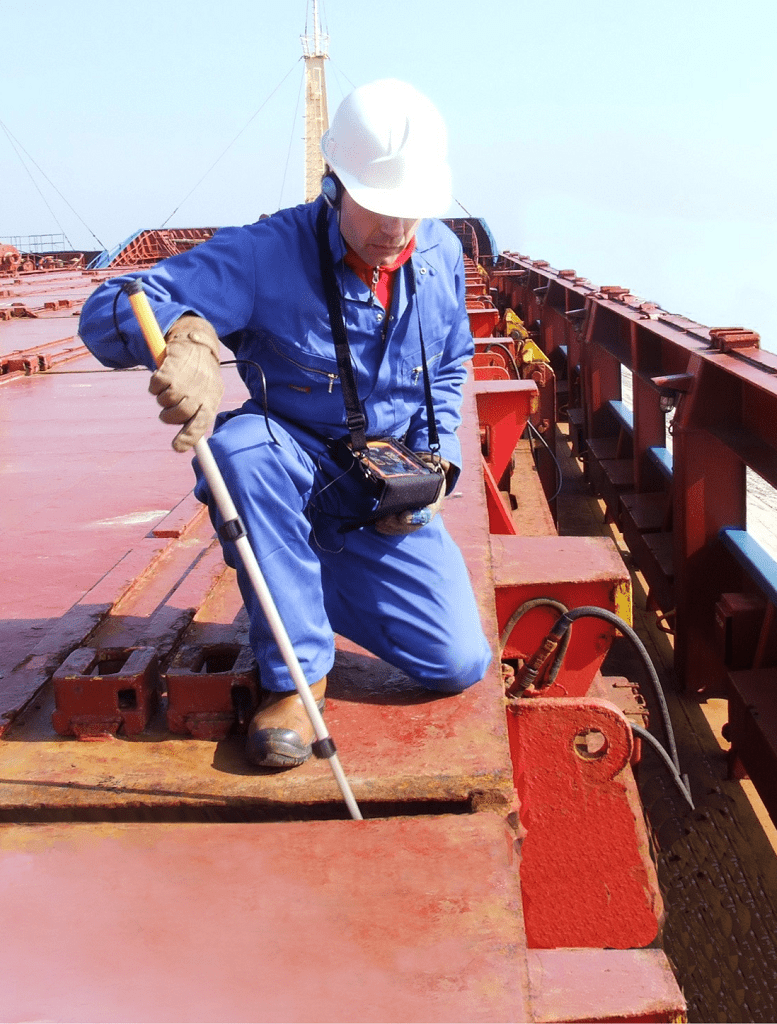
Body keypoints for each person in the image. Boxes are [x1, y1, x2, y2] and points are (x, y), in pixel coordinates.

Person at [78, 79, 492, 768]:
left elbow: (451, 363)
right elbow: (110, 307)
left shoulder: (440, 256)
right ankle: (298, 678)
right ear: (334, 186)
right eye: (379, 208)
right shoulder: (268, 253)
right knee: (241, 451)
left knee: (456, 661)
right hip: (293, 466)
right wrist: (184, 334)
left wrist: (438, 461)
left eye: (411, 212)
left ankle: (296, 577)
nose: (395, 231)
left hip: (379, 491)